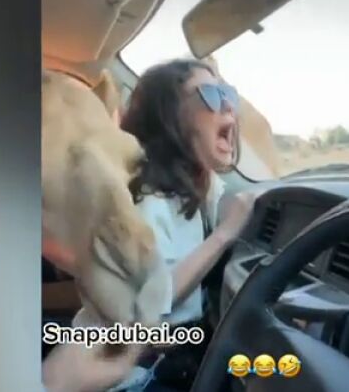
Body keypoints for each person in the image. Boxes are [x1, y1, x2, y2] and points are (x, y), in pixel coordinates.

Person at [42, 58, 255, 391]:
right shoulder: (149, 199)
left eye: (229, 93)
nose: (228, 105)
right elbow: (149, 300)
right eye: (211, 95)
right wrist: (223, 235)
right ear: (171, 118)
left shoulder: (198, 190)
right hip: (136, 373)